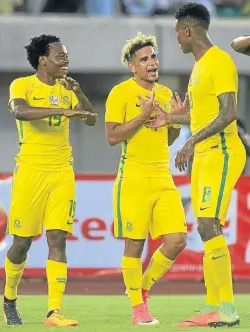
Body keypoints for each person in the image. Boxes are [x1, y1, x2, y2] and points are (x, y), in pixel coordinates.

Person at [146, 3, 246, 327]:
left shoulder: (219, 62)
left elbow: (229, 113)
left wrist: (189, 141)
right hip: (206, 152)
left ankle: (227, 310)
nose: (176, 39)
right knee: (206, 228)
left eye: (177, 33)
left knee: (207, 226)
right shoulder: (199, 67)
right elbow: (199, 114)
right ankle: (213, 307)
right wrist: (170, 118)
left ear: (187, 31)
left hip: (222, 150)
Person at [3, 34, 96, 327]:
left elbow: (91, 118)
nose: (66, 60)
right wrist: (61, 109)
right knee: (22, 243)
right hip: (30, 171)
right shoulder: (22, 85)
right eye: (60, 55)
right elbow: (20, 111)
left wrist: (78, 93)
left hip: (62, 171)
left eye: (66, 55)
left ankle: (54, 311)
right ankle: (9, 300)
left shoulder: (68, 89)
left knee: (57, 237)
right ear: (43, 59)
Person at [105, 32, 187, 325]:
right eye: (145, 59)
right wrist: (143, 115)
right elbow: (112, 136)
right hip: (133, 179)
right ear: (132, 66)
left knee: (177, 240)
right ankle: (138, 310)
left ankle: (142, 289)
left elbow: (167, 138)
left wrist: (174, 120)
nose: (152, 63)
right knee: (134, 246)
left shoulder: (165, 92)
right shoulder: (120, 93)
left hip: (162, 177)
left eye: (154, 57)